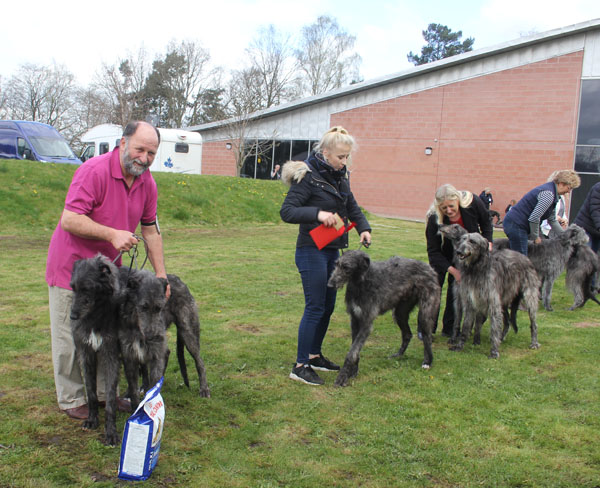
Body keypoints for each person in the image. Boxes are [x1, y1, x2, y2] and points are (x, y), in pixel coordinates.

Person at [46, 121, 170, 420]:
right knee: (72, 335)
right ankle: (72, 397)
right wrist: (112, 234)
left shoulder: (147, 183)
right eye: (140, 149)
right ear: (123, 142)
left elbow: (150, 231)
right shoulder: (94, 170)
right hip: (73, 269)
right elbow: (70, 219)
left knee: (109, 334)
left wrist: (161, 275)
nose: (144, 158)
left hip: (109, 276)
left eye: (151, 153)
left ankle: (104, 394)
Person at [280, 126, 371, 386]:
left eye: (347, 157)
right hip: (311, 250)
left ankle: (314, 354)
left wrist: (363, 227)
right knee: (315, 306)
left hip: (332, 249)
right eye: (341, 157)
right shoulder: (307, 176)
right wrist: (317, 214)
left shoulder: (341, 176)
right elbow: (287, 212)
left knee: (328, 306)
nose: (345, 162)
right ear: (326, 152)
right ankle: (300, 366)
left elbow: (350, 202)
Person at [425, 184, 493, 337]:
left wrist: (488, 241)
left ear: (458, 200)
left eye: (451, 206)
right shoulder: (434, 219)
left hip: (468, 253)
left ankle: (449, 330)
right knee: (434, 287)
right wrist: (453, 271)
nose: (448, 210)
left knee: (454, 291)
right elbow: (433, 252)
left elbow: (486, 222)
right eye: (444, 208)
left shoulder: (473, 202)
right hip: (445, 254)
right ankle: (427, 328)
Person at [501, 170, 580, 255]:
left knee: (526, 258)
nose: (568, 191)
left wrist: (565, 236)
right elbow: (534, 218)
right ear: (561, 183)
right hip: (516, 224)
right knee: (521, 259)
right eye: (569, 188)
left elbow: (552, 220)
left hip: (521, 225)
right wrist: (535, 237)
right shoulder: (549, 194)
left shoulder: (554, 195)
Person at [574, 182, 600, 253]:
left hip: (596, 232)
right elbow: (596, 209)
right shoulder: (598, 188)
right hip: (585, 229)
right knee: (583, 257)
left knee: (593, 258)